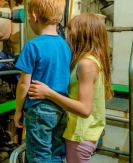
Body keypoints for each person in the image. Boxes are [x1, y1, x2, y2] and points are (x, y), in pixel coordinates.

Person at [28, 13, 114, 163]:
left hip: (81, 135)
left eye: (69, 31)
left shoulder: (86, 64)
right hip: (83, 133)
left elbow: (84, 110)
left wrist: (48, 93)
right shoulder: (90, 60)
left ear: (81, 34)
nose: (66, 35)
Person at [13, 0, 71, 163]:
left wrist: (17, 111)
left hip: (40, 110)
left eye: (29, 19)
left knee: (39, 158)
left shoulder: (32, 46)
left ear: (34, 16)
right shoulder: (64, 45)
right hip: (61, 109)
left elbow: (24, 83)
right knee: (53, 155)